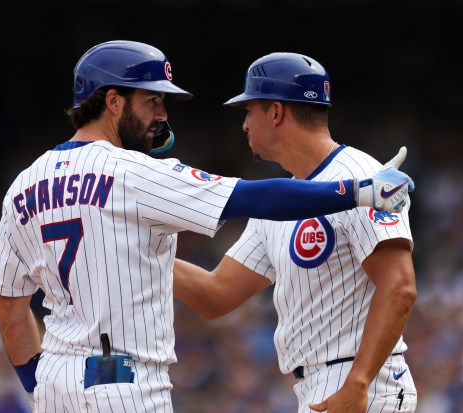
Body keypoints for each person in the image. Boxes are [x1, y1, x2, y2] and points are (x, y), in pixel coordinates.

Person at [0, 40, 414, 413]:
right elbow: (245, 217)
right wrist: (359, 191)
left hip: (55, 382)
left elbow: (8, 306)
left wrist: (35, 381)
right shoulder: (134, 172)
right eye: (152, 101)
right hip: (126, 383)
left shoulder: (23, 184)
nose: (162, 114)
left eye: (248, 109)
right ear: (114, 102)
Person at [173, 52, 418, 413]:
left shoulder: (363, 177)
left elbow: (400, 285)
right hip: (319, 387)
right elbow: (216, 294)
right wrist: (144, 255)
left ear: (275, 112)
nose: (244, 125)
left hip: (365, 383)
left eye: (248, 111)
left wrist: (358, 382)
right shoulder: (280, 201)